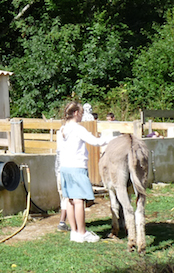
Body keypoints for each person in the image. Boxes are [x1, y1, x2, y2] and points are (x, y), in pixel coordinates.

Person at [57, 101, 112, 243]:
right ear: (76, 113)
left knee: (69, 200)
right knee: (79, 200)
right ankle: (82, 232)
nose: (82, 116)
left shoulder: (62, 130)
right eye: (81, 113)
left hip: (65, 167)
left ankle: (74, 232)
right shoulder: (77, 129)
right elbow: (95, 142)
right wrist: (112, 139)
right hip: (77, 167)